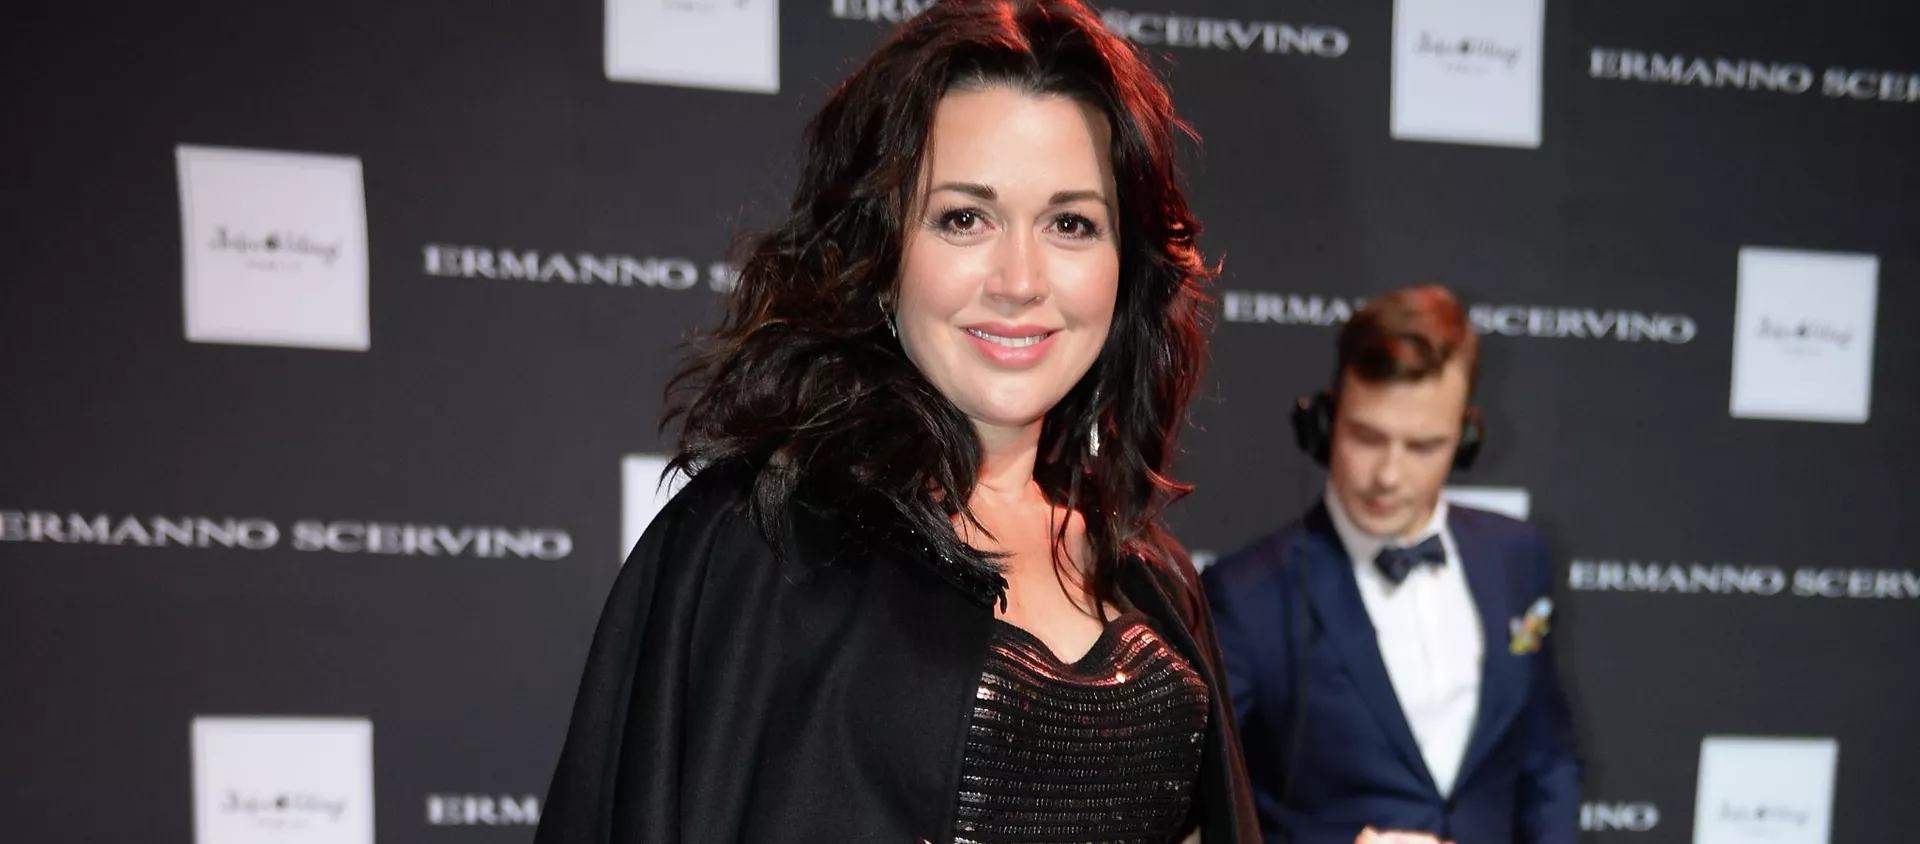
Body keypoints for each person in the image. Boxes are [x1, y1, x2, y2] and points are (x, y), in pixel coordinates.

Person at [531, 2, 1260, 842]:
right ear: (880, 255)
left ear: (1124, 269)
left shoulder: (1155, 579)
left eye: (1071, 224)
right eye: (964, 218)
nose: (1019, 280)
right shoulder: (755, 551)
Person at [1201, 286, 1581, 844]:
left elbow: (1547, 759)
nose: (1388, 476)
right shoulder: (1244, 595)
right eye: (1367, 436)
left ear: (1466, 438)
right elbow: (1203, 810)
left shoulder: (1517, 555)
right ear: (1325, 421)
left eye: (1423, 446)